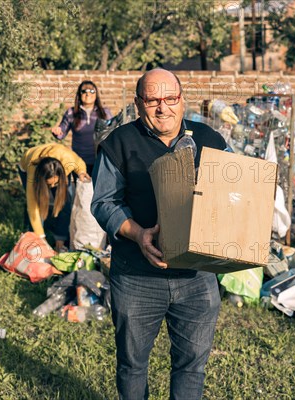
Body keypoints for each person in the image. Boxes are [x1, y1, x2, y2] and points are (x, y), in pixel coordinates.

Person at [91, 68, 227, 400]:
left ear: (182, 101)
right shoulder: (118, 144)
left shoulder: (210, 140)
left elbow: (231, 193)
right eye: (152, 100)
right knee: (133, 365)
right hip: (136, 276)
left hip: (196, 278)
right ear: (139, 104)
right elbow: (104, 202)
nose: (162, 107)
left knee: (191, 367)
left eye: (170, 99)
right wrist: (137, 233)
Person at [19, 143, 90, 252]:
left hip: (59, 160)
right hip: (27, 164)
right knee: (37, 203)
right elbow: (33, 206)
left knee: (65, 202)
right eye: (49, 185)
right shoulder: (33, 172)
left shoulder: (68, 162)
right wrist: (41, 238)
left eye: (55, 184)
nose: (52, 187)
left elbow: (79, 163)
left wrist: (81, 172)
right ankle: (35, 238)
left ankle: (60, 240)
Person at [51, 80, 112, 175]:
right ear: (79, 94)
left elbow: (112, 132)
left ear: (96, 94)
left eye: (92, 91)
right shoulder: (71, 112)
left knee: (99, 189)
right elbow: (61, 133)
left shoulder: (105, 112)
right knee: (82, 189)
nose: (88, 94)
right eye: (84, 91)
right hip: (79, 162)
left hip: (101, 161)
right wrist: (57, 132)